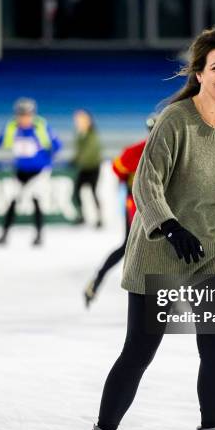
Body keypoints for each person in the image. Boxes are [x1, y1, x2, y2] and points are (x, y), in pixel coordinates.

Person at [80, 28, 215, 430]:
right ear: (200, 72)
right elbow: (146, 183)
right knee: (140, 350)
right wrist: (169, 225)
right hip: (162, 246)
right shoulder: (174, 120)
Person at [84, 115, 156, 308]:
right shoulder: (136, 151)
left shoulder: (136, 151)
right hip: (138, 206)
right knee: (133, 246)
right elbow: (117, 169)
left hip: (147, 206)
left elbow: (118, 170)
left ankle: (97, 281)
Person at [0, 98, 62, 246]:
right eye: (21, 115)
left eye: (27, 115)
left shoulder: (41, 127)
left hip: (39, 172)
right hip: (20, 172)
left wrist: (47, 157)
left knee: (36, 200)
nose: (24, 118)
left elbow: (57, 145)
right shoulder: (11, 128)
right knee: (12, 201)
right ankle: (4, 234)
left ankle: (39, 235)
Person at [71, 109, 103, 228]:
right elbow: (79, 151)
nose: (78, 122)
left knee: (93, 192)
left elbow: (90, 152)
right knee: (76, 192)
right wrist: (74, 159)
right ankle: (81, 215)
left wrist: (78, 161)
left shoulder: (92, 134)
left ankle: (100, 218)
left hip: (93, 167)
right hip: (84, 168)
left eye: (81, 119)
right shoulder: (79, 134)